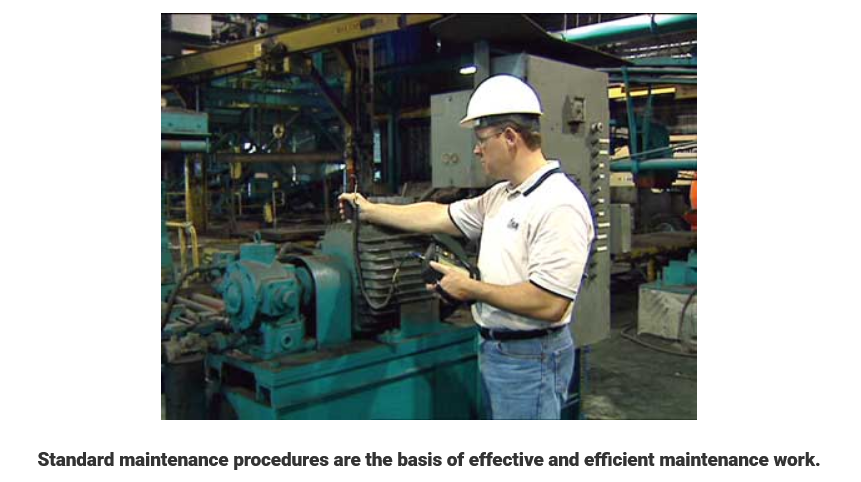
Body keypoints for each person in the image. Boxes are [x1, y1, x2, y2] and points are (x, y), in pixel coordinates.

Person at [339, 74, 594, 419]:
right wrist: (370, 210)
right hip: (498, 349)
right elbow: (438, 215)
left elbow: (549, 302)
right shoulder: (501, 196)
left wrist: (469, 288)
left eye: (481, 139)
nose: (476, 149)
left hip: (532, 357)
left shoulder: (558, 203)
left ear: (509, 137)